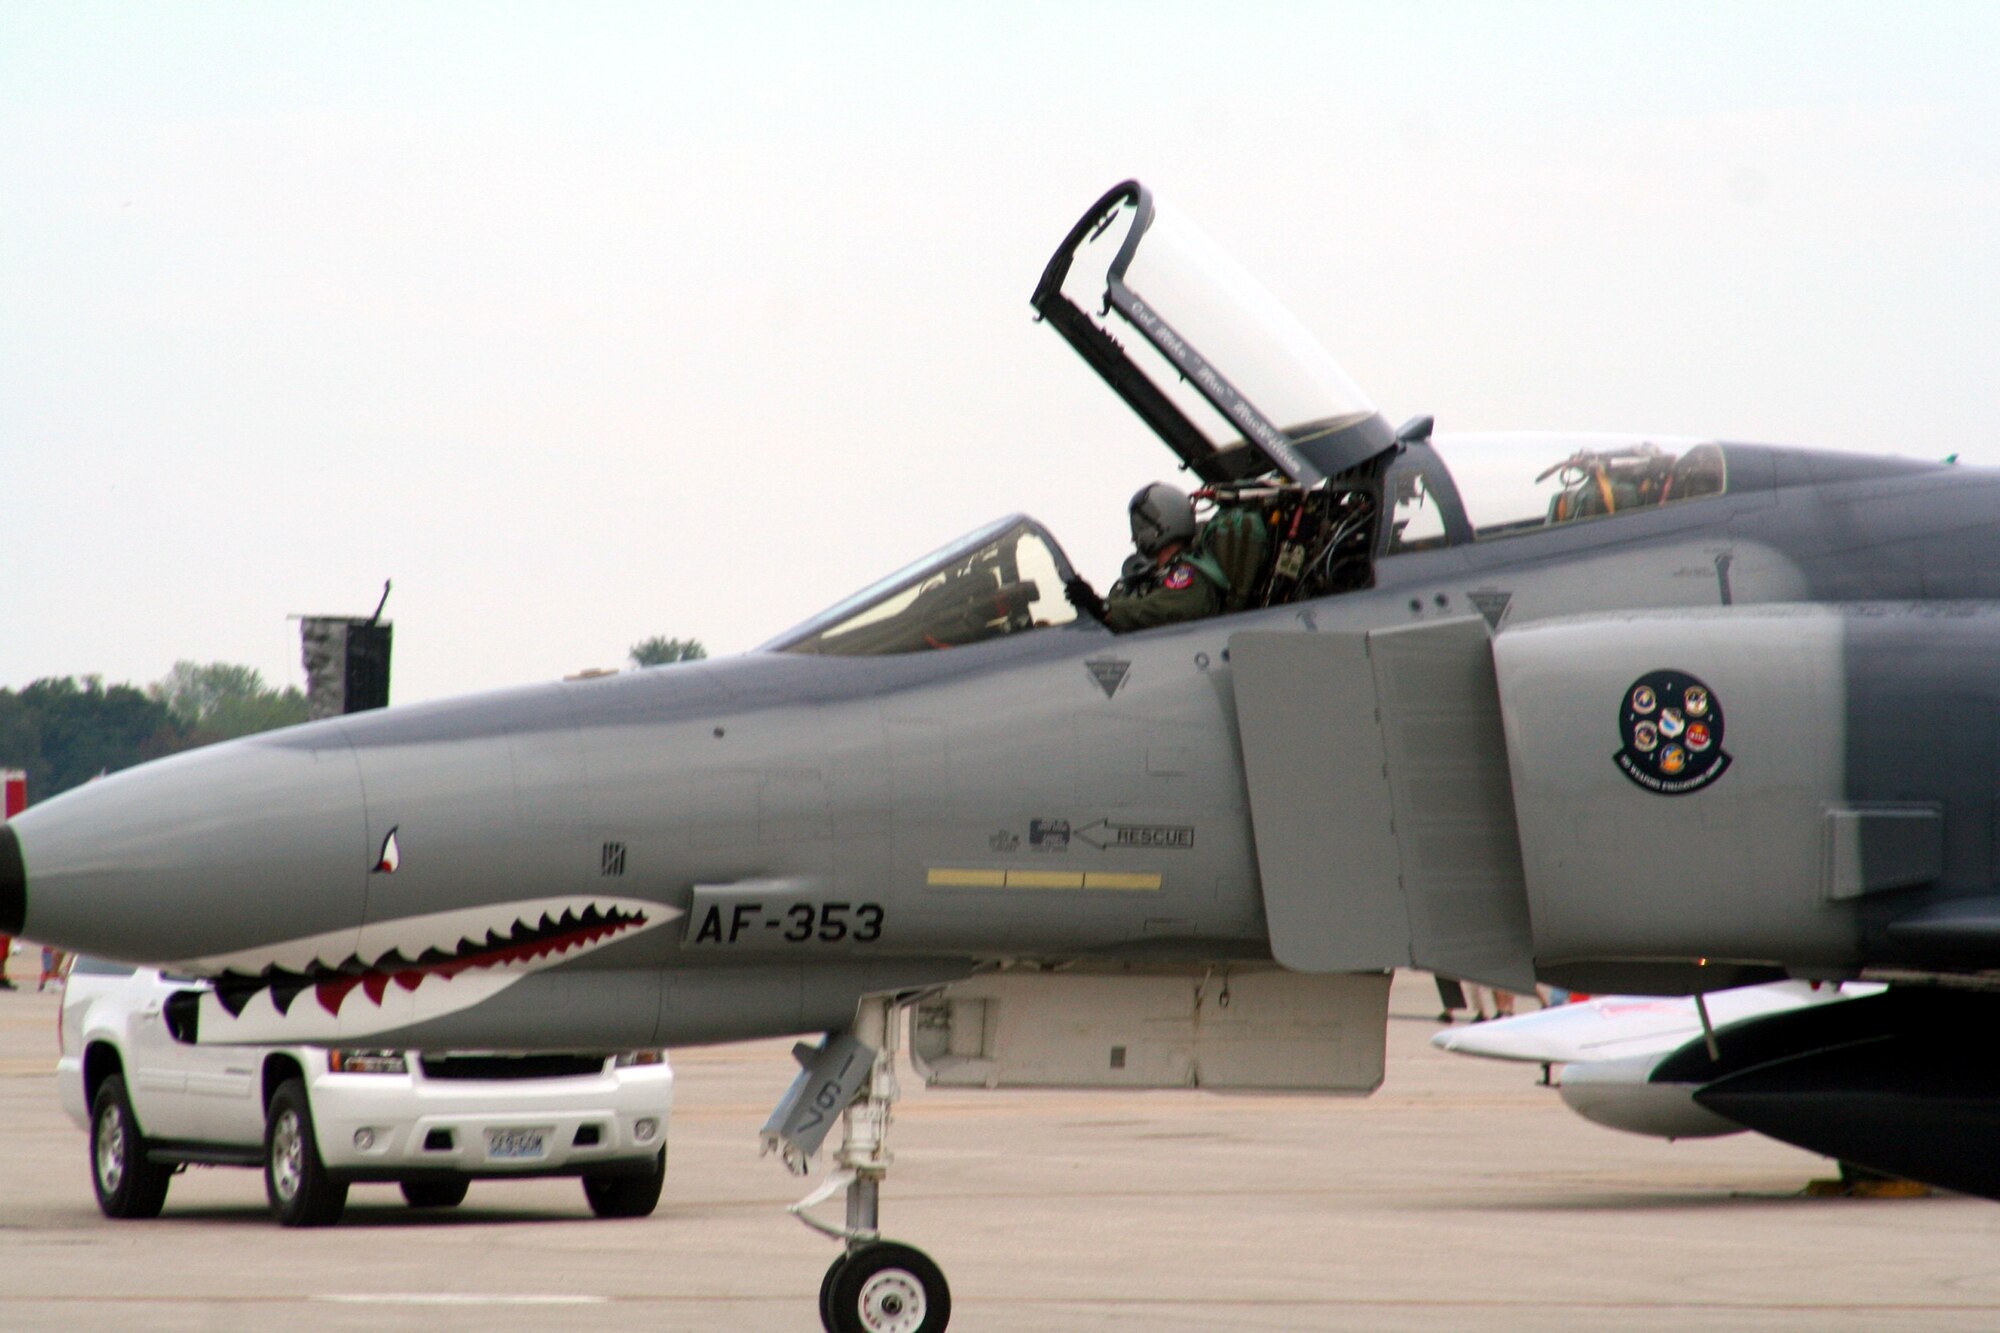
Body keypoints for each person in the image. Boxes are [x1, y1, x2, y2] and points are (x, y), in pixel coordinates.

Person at [1067, 483, 1232, 633]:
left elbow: (1165, 609)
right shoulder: (1139, 579)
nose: (1135, 536)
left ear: (1164, 524)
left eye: (1140, 525)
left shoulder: (1191, 574)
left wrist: (1103, 608)